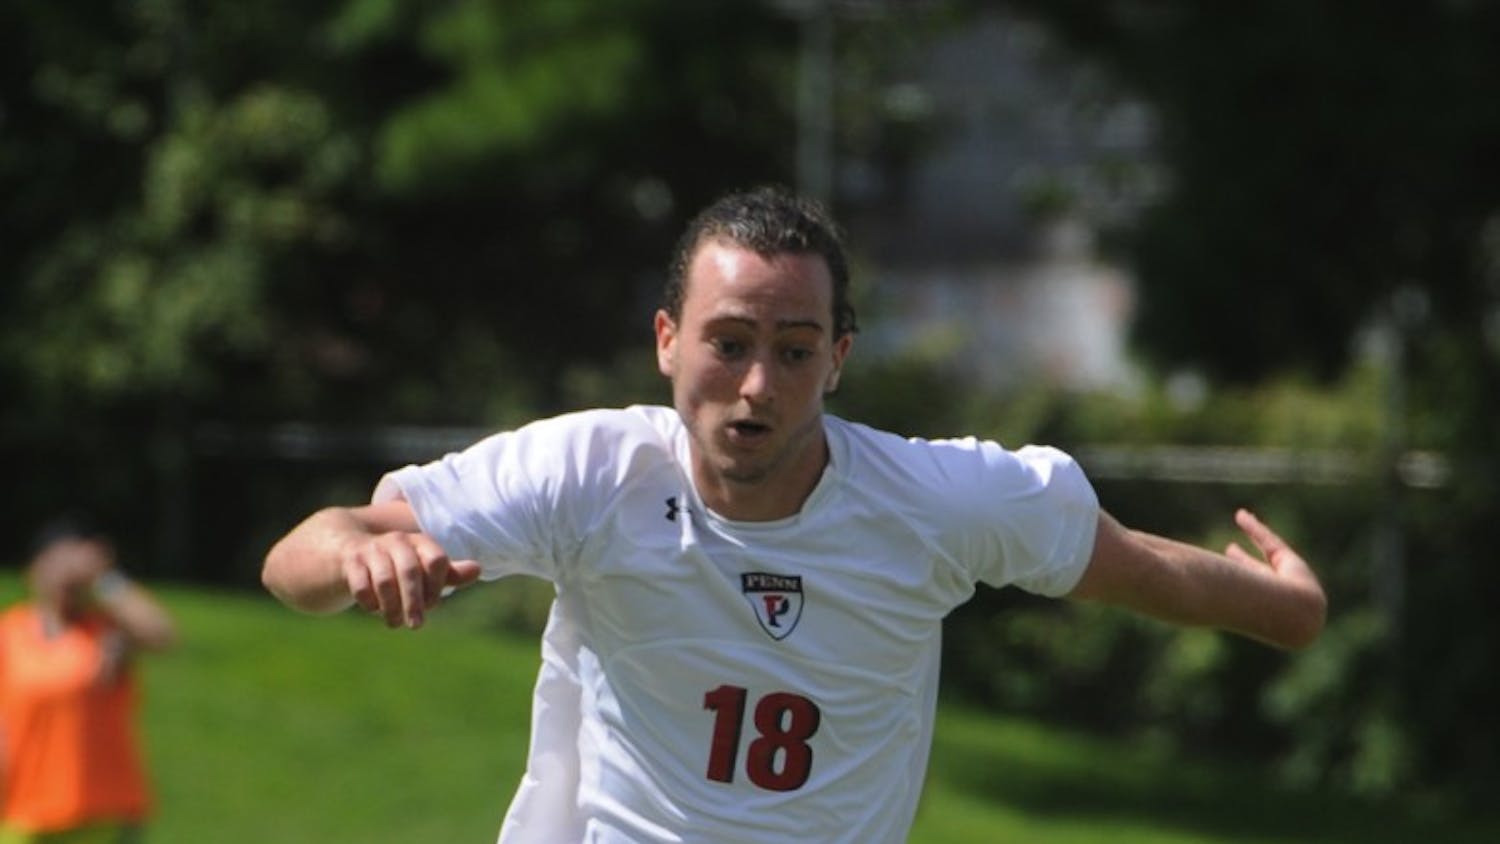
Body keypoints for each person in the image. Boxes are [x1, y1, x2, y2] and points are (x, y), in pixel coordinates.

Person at [262, 186, 1326, 843]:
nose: (758, 385)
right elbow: (302, 553)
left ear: (840, 360)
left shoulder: (938, 502)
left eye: (795, 349)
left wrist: (1287, 612)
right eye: (728, 342)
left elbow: (1130, 564)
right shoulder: (589, 471)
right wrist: (362, 559)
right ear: (667, 341)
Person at [0, 517, 177, 844]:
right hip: (22, 809)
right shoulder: (9, 634)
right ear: (34, 568)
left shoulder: (108, 633)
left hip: (100, 811)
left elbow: (162, 635)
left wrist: (105, 579)